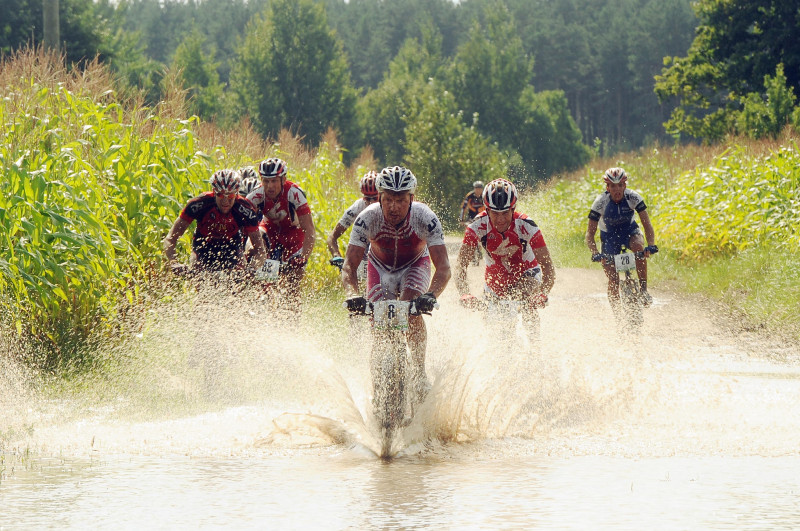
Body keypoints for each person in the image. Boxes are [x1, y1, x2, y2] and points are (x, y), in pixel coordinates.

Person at [341, 166, 451, 404]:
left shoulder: (425, 217)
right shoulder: (367, 218)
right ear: (379, 196)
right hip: (379, 267)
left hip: (415, 264)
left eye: (400, 200)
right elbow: (349, 264)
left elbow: (443, 268)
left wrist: (431, 295)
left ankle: (419, 372)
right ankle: (377, 384)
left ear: (411, 198)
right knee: (377, 323)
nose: (393, 207)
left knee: (410, 309)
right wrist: (352, 294)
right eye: (388, 199)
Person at [455, 178, 555, 346]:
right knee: (495, 327)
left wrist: (543, 292)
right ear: (486, 210)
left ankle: (535, 348)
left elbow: (548, 269)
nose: (500, 219)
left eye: (505, 213)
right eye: (495, 213)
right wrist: (464, 293)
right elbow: (460, 267)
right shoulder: (476, 227)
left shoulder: (527, 225)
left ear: (513, 209)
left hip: (526, 272)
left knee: (524, 296)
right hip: (496, 277)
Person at [163, 169, 268, 276]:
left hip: (232, 248)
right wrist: (173, 262)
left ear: (236, 193)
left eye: (230, 196)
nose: (225, 201)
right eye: (221, 195)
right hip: (203, 246)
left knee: (239, 280)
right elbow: (170, 238)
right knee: (196, 278)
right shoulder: (199, 204)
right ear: (214, 191)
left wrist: (254, 269)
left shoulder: (245, 209)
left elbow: (259, 249)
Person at [585, 167, 657, 308]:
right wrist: (595, 253)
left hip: (629, 231)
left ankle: (643, 290)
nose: (617, 189)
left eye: (620, 185)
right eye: (613, 186)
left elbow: (647, 224)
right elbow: (589, 234)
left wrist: (651, 245)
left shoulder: (633, 197)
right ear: (607, 187)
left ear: (625, 185)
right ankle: (617, 316)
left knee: (638, 248)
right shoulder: (600, 202)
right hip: (609, 236)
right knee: (613, 279)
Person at [246, 157, 316, 298]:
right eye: (266, 181)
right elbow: (243, 226)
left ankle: (290, 313)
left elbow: (309, 230)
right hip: (269, 229)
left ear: (283, 180)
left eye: (274, 181)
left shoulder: (295, 193)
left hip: (293, 234)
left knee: (294, 280)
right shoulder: (256, 195)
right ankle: (259, 293)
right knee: (254, 246)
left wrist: (303, 258)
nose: (270, 186)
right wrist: (245, 254)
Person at [326, 170, 379, 271]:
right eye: (368, 198)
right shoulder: (358, 207)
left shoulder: (390, 206)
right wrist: (337, 256)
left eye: (375, 198)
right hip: (364, 251)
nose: (371, 202)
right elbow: (332, 238)